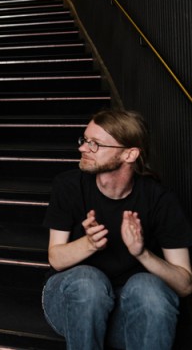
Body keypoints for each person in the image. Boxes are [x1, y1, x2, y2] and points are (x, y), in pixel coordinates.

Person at [41, 110, 192, 350]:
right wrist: (89, 244)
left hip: (128, 313)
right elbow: (56, 259)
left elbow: (184, 285)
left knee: (149, 287)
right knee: (88, 281)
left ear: (129, 154)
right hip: (71, 303)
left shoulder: (160, 200)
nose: (83, 148)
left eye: (96, 144)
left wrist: (142, 253)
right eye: (84, 140)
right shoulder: (68, 185)